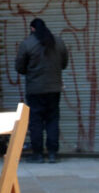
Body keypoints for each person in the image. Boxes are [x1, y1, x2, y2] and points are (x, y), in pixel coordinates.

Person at [15, 17, 69, 163]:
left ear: (32, 29)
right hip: (54, 89)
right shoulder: (58, 42)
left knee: (36, 121)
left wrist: (31, 70)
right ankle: (52, 153)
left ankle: (37, 154)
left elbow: (19, 67)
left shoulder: (27, 44)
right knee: (52, 120)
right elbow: (64, 64)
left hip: (35, 90)